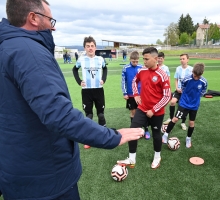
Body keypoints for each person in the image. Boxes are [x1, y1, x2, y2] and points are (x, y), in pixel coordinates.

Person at [0, 1, 144, 199]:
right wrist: (113, 137)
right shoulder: (28, 52)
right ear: (33, 18)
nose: (54, 26)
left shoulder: (6, 46)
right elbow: (59, 115)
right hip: (45, 178)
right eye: (50, 19)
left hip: (15, 173)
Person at [117, 47, 171, 169]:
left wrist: (154, 110)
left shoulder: (162, 75)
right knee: (133, 131)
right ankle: (131, 158)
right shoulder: (142, 71)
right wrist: (136, 94)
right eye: (143, 59)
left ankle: (157, 157)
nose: (144, 62)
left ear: (155, 59)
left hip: (156, 112)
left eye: (146, 59)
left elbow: (167, 96)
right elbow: (134, 81)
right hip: (142, 108)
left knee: (156, 134)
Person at [73, 36, 108, 149]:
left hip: (98, 90)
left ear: (95, 47)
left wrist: (104, 79)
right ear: (84, 48)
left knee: (101, 114)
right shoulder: (81, 59)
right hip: (86, 91)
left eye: (92, 46)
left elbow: (105, 68)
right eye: (88, 46)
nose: (90, 48)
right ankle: (88, 138)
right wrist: (79, 81)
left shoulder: (100, 59)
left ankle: (103, 135)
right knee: (88, 115)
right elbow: (74, 69)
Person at [162, 63, 207, 148]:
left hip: (194, 105)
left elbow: (203, 92)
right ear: (192, 71)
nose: (196, 77)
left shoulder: (204, 82)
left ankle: (188, 138)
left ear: (202, 74)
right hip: (184, 103)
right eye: (195, 75)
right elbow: (183, 88)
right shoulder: (186, 79)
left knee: (191, 123)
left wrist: (195, 97)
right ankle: (165, 134)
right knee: (175, 119)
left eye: (198, 76)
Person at [121, 51, 151, 140]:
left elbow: (146, 80)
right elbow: (123, 81)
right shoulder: (125, 68)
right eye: (133, 61)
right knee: (133, 112)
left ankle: (146, 130)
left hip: (141, 94)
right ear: (130, 60)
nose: (135, 63)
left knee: (144, 112)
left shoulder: (142, 67)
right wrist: (125, 93)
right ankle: (134, 131)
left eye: (137, 61)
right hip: (130, 95)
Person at [163, 53, 193, 131]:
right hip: (178, 90)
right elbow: (176, 79)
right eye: (180, 59)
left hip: (186, 92)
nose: (182, 60)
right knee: (172, 102)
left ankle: (183, 122)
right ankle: (171, 118)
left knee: (184, 107)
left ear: (188, 60)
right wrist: (177, 88)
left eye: (183, 59)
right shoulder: (178, 68)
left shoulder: (191, 69)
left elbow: (192, 82)